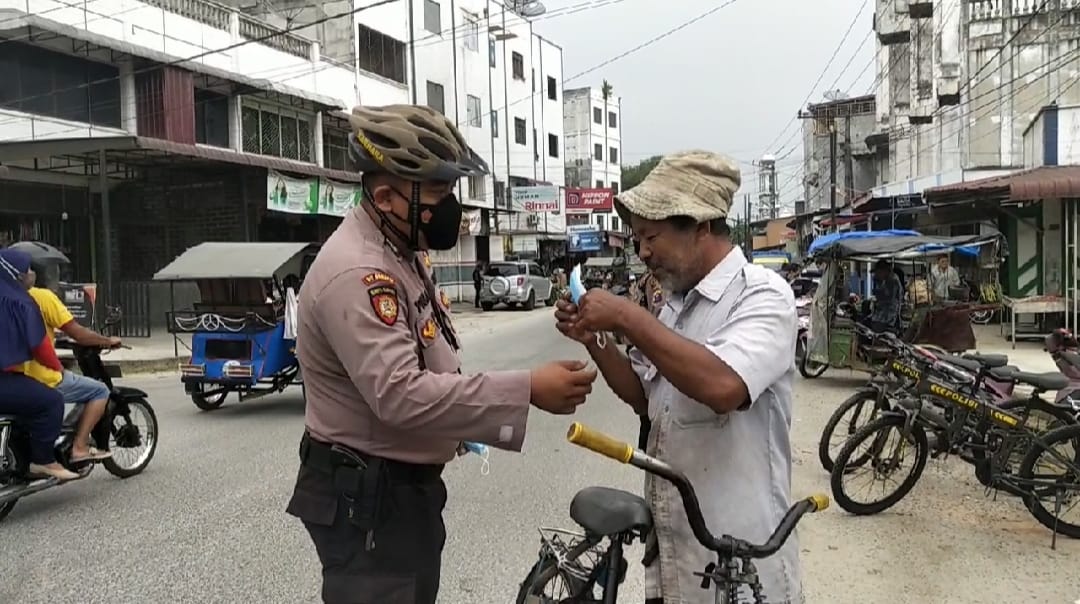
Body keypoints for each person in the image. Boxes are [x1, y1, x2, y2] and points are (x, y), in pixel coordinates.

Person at [286, 103, 598, 604]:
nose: (452, 206)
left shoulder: (398, 247)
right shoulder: (360, 272)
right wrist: (528, 388)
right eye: (438, 193)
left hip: (393, 491)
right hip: (370, 499)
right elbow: (400, 395)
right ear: (386, 196)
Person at [554, 150, 801, 604]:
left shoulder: (763, 297)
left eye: (651, 236)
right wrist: (594, 338)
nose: (643, 251)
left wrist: (628, 317)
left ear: (702, 227)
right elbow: (645, 396)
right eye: (636, 240)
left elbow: (724, 387)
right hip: (674, 550)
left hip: (739, 561)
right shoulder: (675, 307)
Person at [20, 255, 120, 463]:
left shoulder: (8, 297)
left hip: (14, 375)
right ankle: (80, 447)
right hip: (40, 375)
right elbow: (78, 333)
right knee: (99, 390)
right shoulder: (42, 297)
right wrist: (107, 340)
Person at [0, 250, 79, 481]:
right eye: (29, 270)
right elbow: (40, 348)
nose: (32, 274)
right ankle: (44, 461)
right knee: (52, 401)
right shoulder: (20, 302)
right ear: (18, 275)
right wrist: (59, 368)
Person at [866, 259, 903, 332]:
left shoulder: (892, 281)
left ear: (884, 271)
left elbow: (887, 298)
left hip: (887, 320)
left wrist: (878, 294)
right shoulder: (887, 280)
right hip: (882, 318)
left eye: (878, 272)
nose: (876, 275)